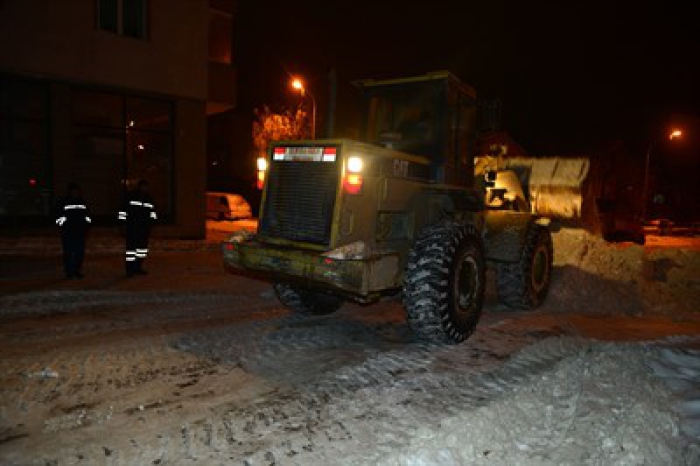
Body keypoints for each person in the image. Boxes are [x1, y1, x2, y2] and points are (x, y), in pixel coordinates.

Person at [119, 180, 157, 277]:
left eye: (146, 187)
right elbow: (123, 211)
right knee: (131, 250)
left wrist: (151, 224)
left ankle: (138, 266)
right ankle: (130, 269)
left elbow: (153, 213)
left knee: (142, 249)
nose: (145, 189)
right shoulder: (130, 196)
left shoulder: (149, 198)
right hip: (132, 227)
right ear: (139, 187)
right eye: (143, 187)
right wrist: (123, 224)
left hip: (144, 228)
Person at [55, 182, 91, 279]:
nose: (75, 193)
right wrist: (62, 225)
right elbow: (58, 216)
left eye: (76, 191)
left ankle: (76, 270)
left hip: (80, 231)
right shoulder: (63, 202)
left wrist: (86, 226)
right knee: (69, 252)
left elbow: (87, 216)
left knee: (79, 252)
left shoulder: (82, 201)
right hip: (68, 231)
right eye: (73, 191)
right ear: (70, 192)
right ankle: (69, 272)